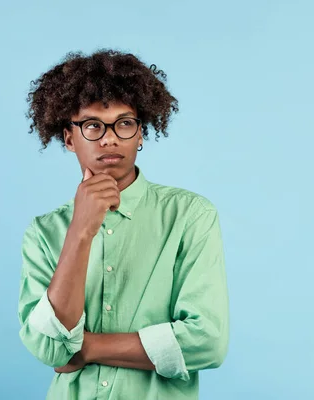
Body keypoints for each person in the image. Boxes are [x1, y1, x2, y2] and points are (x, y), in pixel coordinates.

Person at [18, 49, 229, 400]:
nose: (110, 138)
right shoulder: (44, 233)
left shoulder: (190, 215)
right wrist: (80, 231)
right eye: (93, 125)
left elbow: (206, 342)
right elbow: (47, 348)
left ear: (141, 133)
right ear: (69, 138)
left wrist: (83, 348)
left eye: (125, 123)